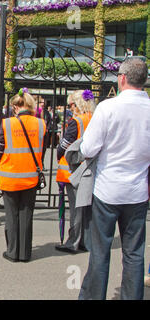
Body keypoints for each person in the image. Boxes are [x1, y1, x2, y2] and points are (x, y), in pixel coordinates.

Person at [78, 58, 150, 300]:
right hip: (138, 191)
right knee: (134, 253)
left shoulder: (108, 108)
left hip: (107, 189)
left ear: (122, 78)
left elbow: (88, 148)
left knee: (100, 251)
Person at [0, 88, 46, 262]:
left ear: (16, 107)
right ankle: (25, 253)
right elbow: (42, 150)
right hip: (30, 175)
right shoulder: (41, 124)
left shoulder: (8, 123)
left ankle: (12, 251)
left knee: (12, 215)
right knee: (26, 215)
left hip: (10, 175)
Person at [55, 90, 94, 254]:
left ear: (78, 104)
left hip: (73, 171)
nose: (70, 108)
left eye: (71, 104)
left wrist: (58, 154)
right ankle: (86, 240)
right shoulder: (95, 118)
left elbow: (64, 146)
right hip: (91, 168)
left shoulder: (76, 121)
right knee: (87, 208)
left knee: (75, 208)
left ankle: (73, 241)